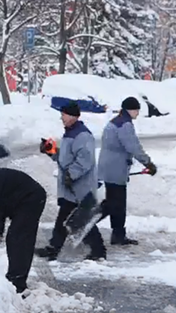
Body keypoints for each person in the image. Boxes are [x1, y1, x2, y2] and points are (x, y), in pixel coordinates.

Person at [35, 102, 107, 261]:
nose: (61, 118)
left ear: (73, 116)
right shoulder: (70, 133)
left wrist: (71, 174)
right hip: (72, 186)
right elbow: (65, 158)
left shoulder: (82, 135)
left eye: (64, 114)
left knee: (82, 219)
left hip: (80, 187)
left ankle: (98, 251)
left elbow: (85, 160)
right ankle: (54, 248)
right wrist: (50, 150)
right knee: (68, 219)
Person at [97, 96, 157, 245]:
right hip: (116, 168)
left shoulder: (116, 121)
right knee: (114, 203)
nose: (137, 113)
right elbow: (133, 146)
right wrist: (148, 163)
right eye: (137, 110)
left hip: (110, 166)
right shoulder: (125, 125)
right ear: (131, 110)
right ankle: (85, 223)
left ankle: (117, 234)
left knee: (115, 202)